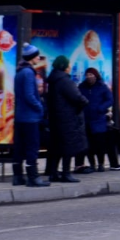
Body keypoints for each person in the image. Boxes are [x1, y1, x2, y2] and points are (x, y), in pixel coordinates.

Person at [46, 55, 89, 183]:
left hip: (55, 118)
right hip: (67, 118)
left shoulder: (53, 80)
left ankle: (53, 173)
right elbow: (77, 97)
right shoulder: (65, 81)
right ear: (64, 66)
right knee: (68, 147)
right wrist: (85, 102)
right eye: (68, 64)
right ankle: (66, 173)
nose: (70, 67)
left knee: (56, 147)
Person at [12, 43, 50, 187]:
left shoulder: (20, 71)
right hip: (30, 117)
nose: (39, 58)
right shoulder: (28, 72)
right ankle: (33, 178)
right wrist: (39, 107)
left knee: (20, 147)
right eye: (37, 55)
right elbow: (29, 95)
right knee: (32, 147)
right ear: (32, 57)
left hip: (20, 116)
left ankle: (17, 176)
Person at [77, 68, 113, 172]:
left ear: (96, 76)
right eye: (87, 75)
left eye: (91, 75)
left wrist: (101, 108)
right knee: (88, 145)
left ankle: (100, 164)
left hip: (99, 120)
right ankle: (92, 164)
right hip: (86, 119)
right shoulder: (82, 87)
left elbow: (110, 99)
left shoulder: (102, 87)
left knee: (99, 144)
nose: (89, 77)